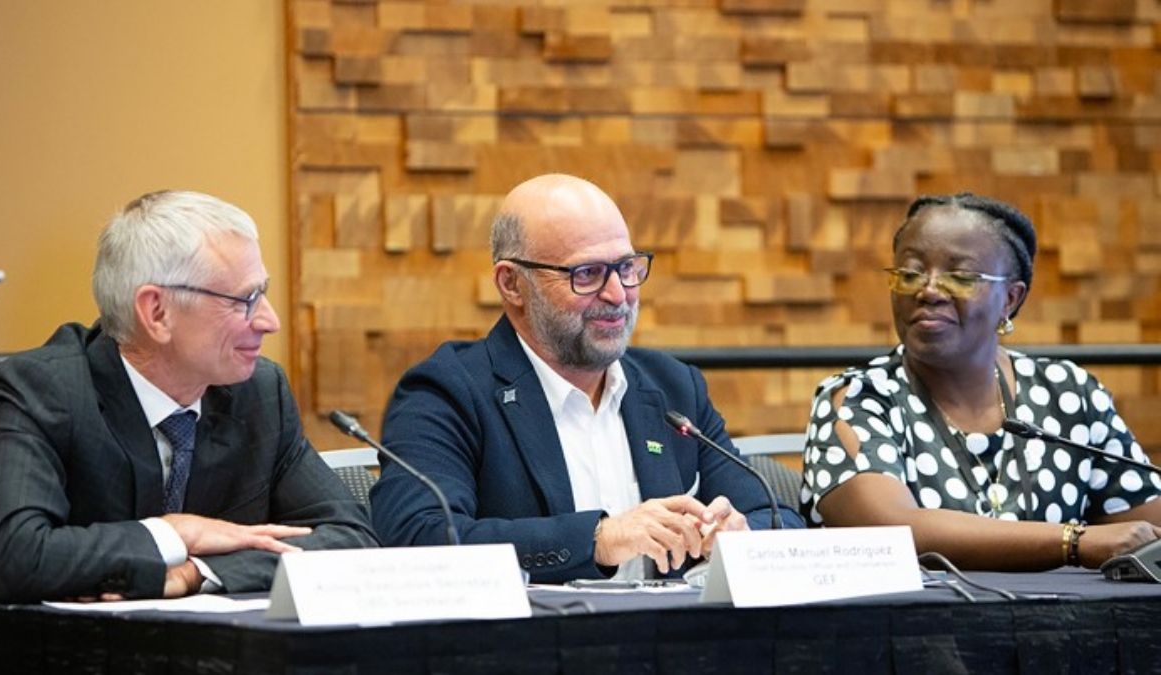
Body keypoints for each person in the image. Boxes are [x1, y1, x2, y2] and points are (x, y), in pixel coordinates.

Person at [0, 191, 378, 669]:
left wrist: (197, 571)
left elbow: (350, 539)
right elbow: (18, 554)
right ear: (156, 312)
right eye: (244, 299)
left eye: (261, 293)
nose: (269, 321)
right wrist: (174, 533)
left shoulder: (260, 393)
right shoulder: (44, 389)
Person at [370, 173, 803, 584]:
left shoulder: (673, 388)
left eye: (627, 268)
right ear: (512, 284)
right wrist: (597, 540)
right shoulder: (448, 391)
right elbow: (419, 538)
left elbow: (778, 518)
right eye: (587, 274)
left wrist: (741, 534)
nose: (618, 294)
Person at [801, 192, 1161, 570]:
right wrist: (1073, 542)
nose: (928, 291)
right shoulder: (859, 398)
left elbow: (1146, 528)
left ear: (1009, 299)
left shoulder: (1068, 392)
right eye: (910, 274)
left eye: (960, 277)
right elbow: (889, 530)